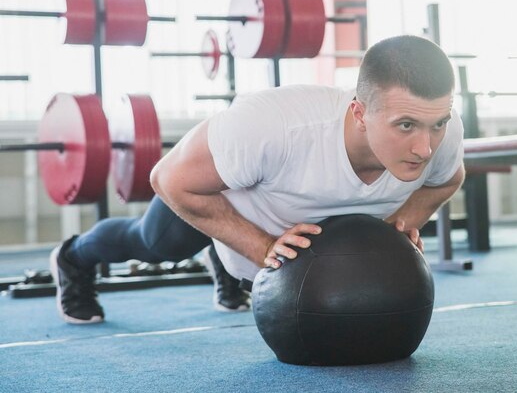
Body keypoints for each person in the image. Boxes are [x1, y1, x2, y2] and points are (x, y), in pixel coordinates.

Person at [51, 34, 465, 325]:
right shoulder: (276, 126)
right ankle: (74, 257)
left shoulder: (440, 132)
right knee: (157, 244)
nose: (425, 149)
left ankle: (224, 256)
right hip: (222, 195)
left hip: (276, 206)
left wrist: (400, 226)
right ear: (359, 114)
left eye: (437, 125)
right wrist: (260, 245)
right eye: (406, 125)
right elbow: (167, 179)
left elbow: (447, 179)